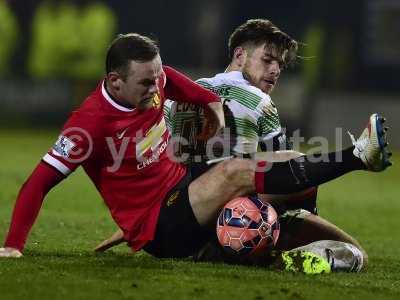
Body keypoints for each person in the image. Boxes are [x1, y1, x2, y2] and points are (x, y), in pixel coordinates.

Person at [0, 32, 391, 274]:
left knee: (284, 157)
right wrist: (14, 245)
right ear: (114, 81)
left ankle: (250, 249)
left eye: (158, 78)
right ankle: (358, 157)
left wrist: (216, 114)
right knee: (237, 171)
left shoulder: (155, 79)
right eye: (146, 82)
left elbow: (199, 94)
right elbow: (38, 182)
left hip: (185, 190)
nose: (156, 89)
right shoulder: (87, 125)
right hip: (160, 226)